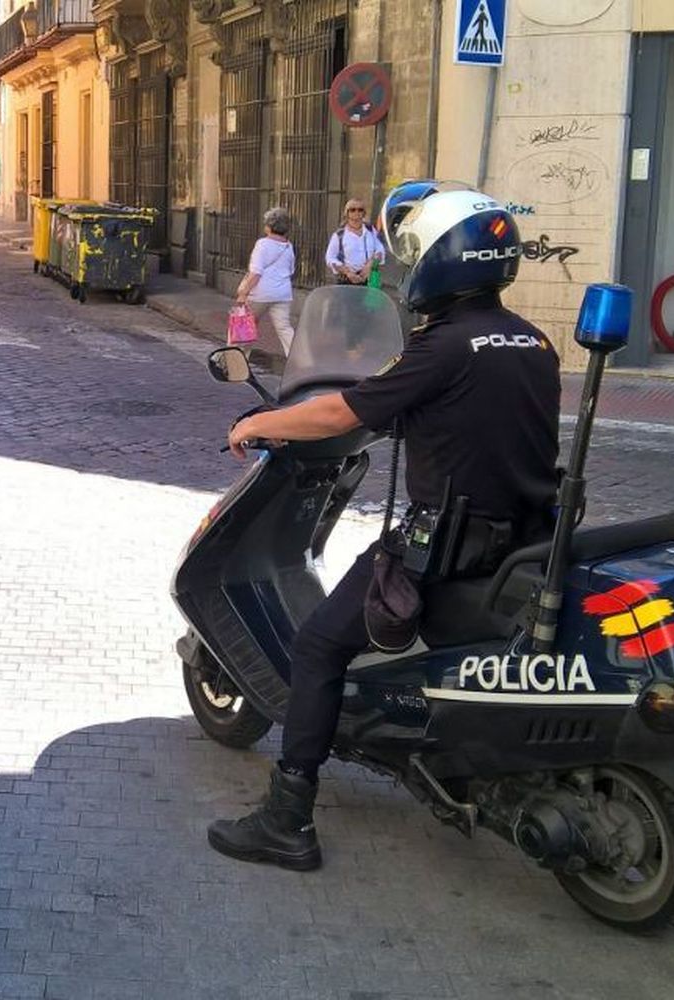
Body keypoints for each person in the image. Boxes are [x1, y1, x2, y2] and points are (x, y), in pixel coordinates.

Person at [206, 185, 561, 871]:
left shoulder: (445, 346)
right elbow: (470, 419)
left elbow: (340, 415)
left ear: (442, 260)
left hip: (446, 550)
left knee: (316, 647)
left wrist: (257, 422)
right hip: (522, 540)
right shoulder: (533, 341)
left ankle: (288, 819)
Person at [234, 207, 297, 354]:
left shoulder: (262, 244)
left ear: (269, 226)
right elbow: (291, 270)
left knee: (245, 326)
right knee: (284, 328)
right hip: (282, 293)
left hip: (260, 293)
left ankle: (238, 361)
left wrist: (244, 293)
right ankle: (297, 361)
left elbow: (256, 273)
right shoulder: (288, 246)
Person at [324, 199, 385, 285]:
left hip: (368, 280)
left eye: (360, 210)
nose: (356, 212)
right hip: (346, 281)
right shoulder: (339, 235)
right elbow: (330, 258)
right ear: (347, 213)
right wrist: (347, 272)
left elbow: (380, 250)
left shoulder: (370, 231)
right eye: (352, 210)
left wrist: (370, 265)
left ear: (364, 213)